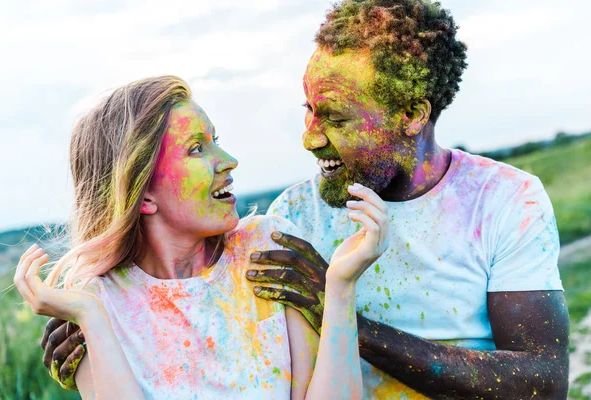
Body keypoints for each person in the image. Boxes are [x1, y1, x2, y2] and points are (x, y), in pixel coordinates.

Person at [43, 1, 570, 398]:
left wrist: (340, 314)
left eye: (335, 117)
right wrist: (99, 326)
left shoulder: (504, 200)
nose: (310, 138)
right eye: (308, 110)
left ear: (411, 113)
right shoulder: (292, 219)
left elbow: (543, 382)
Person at [15, 75, 391, 399]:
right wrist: (91, 316)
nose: (228, 160)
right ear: (143, 194)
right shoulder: (95, 305)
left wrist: (340, 286)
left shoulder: (266, 250)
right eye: (196, 148)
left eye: (215, 140)